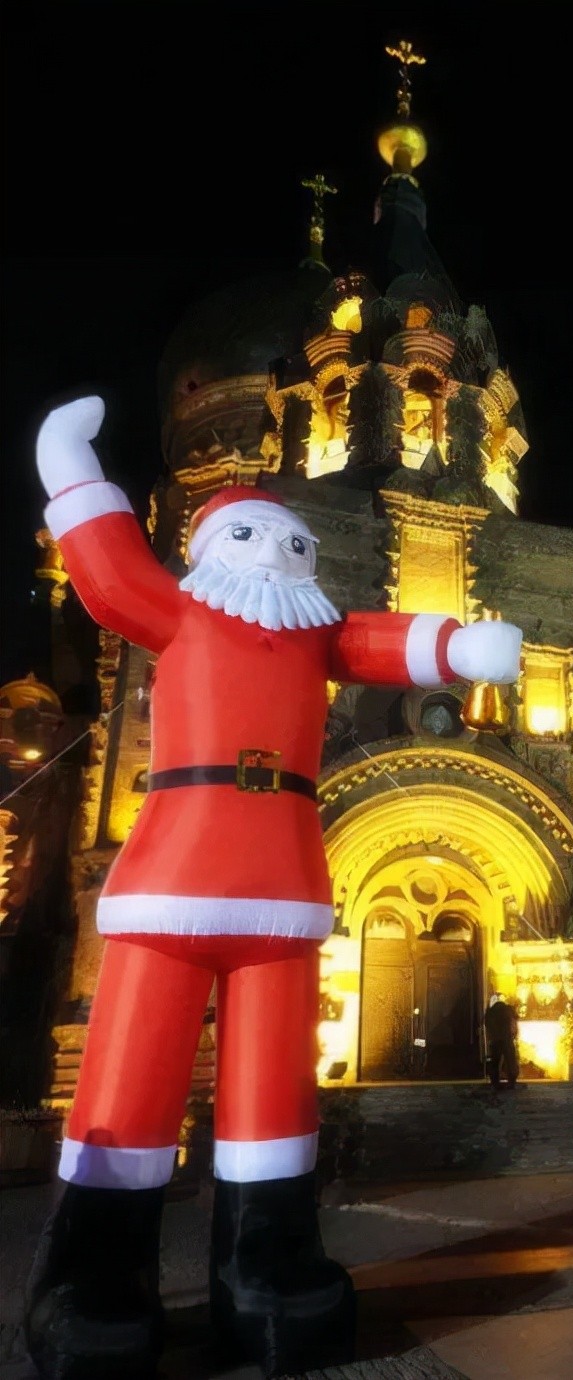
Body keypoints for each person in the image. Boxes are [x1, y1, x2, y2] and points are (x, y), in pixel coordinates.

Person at [24, 396, 523, 1380]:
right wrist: (70, 464)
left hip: (285, 888)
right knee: (131, 1077)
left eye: (290, 542)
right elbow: (113, 572)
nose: (274, 552)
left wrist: (460, 648)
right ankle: (92, 1280)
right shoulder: (182, 606)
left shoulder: (314, 627)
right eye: (246, 531)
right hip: (174, 873)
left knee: (273, 1089)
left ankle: (270, 1267)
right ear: (208, 541)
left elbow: (375, 639)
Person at [483, 992, 520, 1090]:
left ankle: (495, 1082)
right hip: (507, 1038)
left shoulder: (490, 1011)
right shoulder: (508, 1010)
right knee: (510, 1059)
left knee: (495, 1061)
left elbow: (486, 1024)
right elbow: (513, 1024)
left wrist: (490, 1037)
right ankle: (511, 1081)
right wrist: (514, 1035)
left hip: (495, 1039)